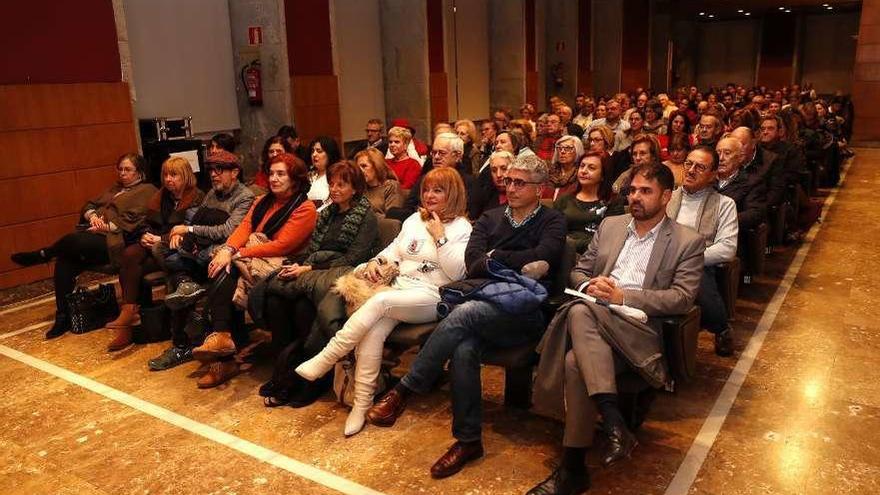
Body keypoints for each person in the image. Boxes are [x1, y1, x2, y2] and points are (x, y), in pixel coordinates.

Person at [367, 153, 567, 479]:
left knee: (467, 312)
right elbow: (473, 262)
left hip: (524, 312)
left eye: (520, 183)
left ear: (539, 188)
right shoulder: (490, 217)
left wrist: (495, 257)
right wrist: (509, 263)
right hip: (482, 300)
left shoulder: (552, 220)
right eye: (509, 181)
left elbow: (544, 257)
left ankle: (405, 389)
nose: (511, 187)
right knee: (463, 347)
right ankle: (468, 440)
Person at [529, 162, 704, 495]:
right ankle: (582, 459)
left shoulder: (687, 241)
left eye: (645, 191)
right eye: (633, 190)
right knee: (575, 354)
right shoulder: (611, 225)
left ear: (666, 196)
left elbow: (682, 299)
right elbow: (578, 271)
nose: (635, 197)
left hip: (638, 333)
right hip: (596, 323)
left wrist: (624, 295)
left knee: (579, 314)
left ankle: (601, 434)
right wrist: (591, 284)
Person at [294, 167, 473, 436]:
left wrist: (440, 236)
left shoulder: (462, 227)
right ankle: (361, 404)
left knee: (379, 302)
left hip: (433, 295)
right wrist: (376, 262)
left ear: (454, 194)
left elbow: (457, 272)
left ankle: (327, 356)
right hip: (400, 290)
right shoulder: (414, 219)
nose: (429, 195)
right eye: (426, 189)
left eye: (438, 190)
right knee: (373, 331)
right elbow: (393, 252)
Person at [255, 161, 381, 407]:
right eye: (331, 184)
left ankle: (311, 381)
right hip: (316, 268)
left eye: (341, 185)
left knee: (304, 307)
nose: (334, 189)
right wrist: (300, 265)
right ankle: (284, 372)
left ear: (355, 188)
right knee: (274, 300)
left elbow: (354, 258)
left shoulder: (367, 217)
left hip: (346, 274)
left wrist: (309, 268)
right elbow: (314, 249)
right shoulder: (327, 213)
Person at [190, 152, 317, 388]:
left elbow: (282, 245)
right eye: (271, 173)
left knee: (227, 267)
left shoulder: (305, 208)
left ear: (296, 179)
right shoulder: (261, 202)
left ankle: (223, 347)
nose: (274, 178)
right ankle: (224, 341)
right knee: (223, 265)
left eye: (281, 174)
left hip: (282, 263)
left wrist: (238, 254)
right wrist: (228, 249)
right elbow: (244, 228)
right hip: (253, 258)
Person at [10, 154, 156, 339]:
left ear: (140, 173)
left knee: (75, 241)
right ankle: (63, 316)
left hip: (117, 241)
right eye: (119, 169)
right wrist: (92, 216)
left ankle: (45, 254)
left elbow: (136, 222)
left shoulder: (147, 190)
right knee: (65, 260)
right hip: (95, 235)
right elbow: (89, 204)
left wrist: (107, 226)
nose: (122, 173)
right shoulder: (115, 188)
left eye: (127, 170)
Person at [149, 150, 256, 371]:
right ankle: (183, 340)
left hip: (223, 252)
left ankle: (194, 336)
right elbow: (197, 218)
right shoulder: (212, 194)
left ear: (234, 172)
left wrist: (189, 230)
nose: (214, 175)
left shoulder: (244, 197)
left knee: (201, 261)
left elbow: (228, 231)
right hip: (201, 249)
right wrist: (184, 234)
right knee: (168, 256)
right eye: (211, 170)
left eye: (220, 170)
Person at [105, 156, 204, 351]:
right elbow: (145, 223)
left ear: (185, 176)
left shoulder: (196, 197)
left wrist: (162, 239)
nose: (168, 180)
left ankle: (128, 322)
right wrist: (144, 235)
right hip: (157, 243)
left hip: (179, 248)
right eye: (166, 175)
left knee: (135, 265)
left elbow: (192, 230)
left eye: (174, 175)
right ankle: (129, 313)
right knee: (131, 254)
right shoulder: (161, 196)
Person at [667, 147, 738, 357]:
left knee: (694, 274)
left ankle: (722, 328)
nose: (690, 170)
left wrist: (688, 258)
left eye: (700, 167)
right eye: (688, 164)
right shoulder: (666, 197)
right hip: (661, 257)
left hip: (698, 262)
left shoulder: (724, 204)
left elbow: (727, 248)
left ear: (713, 175)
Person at [386, 133, 486, 222]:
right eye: (434, 153)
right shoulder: (425, 179)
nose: (436, 157)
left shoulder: (470, 182)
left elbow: (470, 214)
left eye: (442, 153)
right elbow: (409, 207)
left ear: (457, 156)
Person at [553, 151, 618, 254]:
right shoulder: (564, 200)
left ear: (603, 175)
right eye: (582, 166)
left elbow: (612, 237)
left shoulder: (612, 201)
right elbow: (553, 232)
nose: (583, 171)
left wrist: (573, 244)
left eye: (591, 168)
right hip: (563, 253)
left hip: (597, 254)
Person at [715, 136, 766, 232]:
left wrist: (721, 221)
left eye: (727, 153)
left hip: (732, 234)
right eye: (718, 153)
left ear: (740, 157)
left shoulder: (752, 182)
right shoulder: (707, 179)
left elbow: (754, 214)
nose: (721, 158)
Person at [354, 148, 404, 215]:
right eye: (358, 167)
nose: (360, 171)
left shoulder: (391, 186)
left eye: (364, 166)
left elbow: (392, 219)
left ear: (377, 166)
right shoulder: (360, 188)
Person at [543, 135, 584, 201]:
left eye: (568, 148)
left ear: (577, 151)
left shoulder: (581, 175)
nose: (562, 151)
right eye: (559, 148)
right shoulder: (549, 171)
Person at [306, 136, 341, 203]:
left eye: (319, 151)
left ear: (329, 154)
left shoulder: (337, 175)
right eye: (313, 151)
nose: (314, 154)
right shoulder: (309, 176)